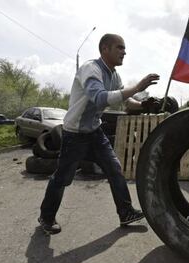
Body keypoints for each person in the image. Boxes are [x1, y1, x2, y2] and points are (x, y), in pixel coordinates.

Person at [38, 33, 160, 234]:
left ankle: (125, 212)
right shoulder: (90, 69)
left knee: (114, 167)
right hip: (74, 134)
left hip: (94, 131)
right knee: (63, 178)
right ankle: (46, 217)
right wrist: (138, 86)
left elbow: (127, 103)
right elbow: (100, 98)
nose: (124, 51)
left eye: (124, 48)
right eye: (119, 47)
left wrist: (144, 105)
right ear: (105, 49)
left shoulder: (114, 75)